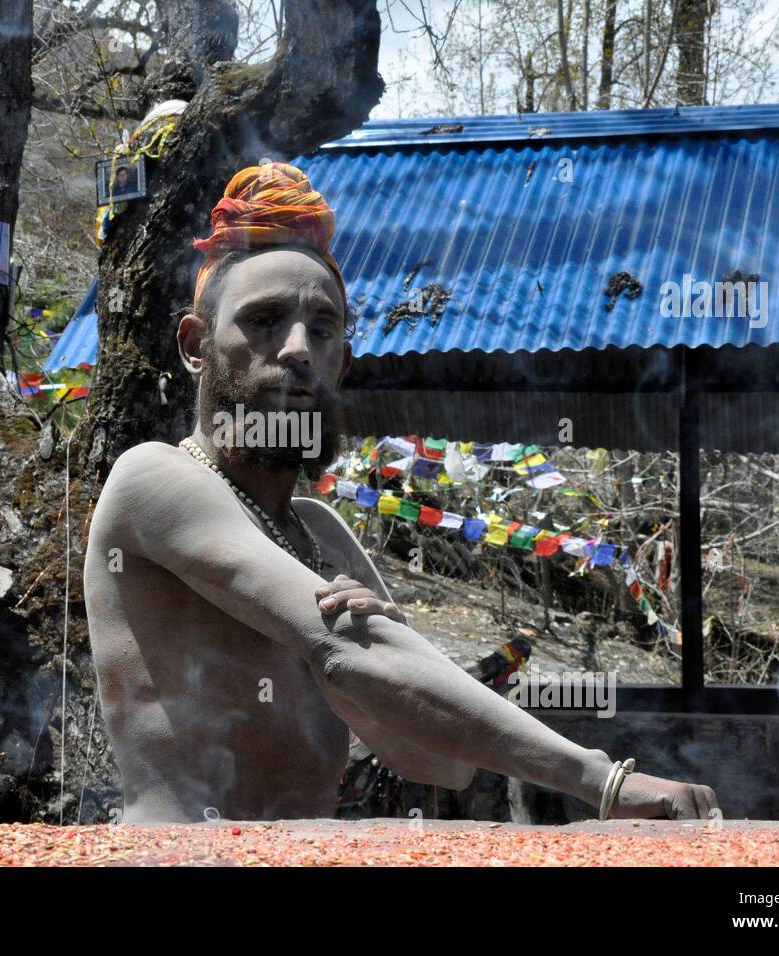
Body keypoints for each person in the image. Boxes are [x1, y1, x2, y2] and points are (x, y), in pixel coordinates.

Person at [84, 161, 718, 824]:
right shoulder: (152, 478)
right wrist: (603, 781)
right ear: (194, 345)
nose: (298, 349)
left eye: (322, 330)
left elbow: (441, 764)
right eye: (265, 320)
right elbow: (347, 648)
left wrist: (357, 678)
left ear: (342, 362)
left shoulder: (320, 531)